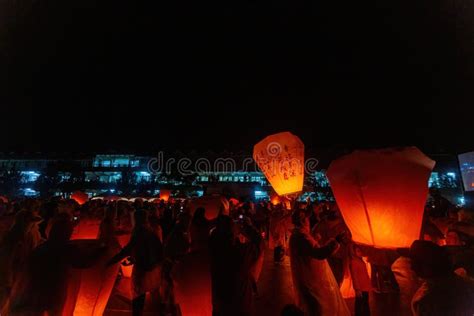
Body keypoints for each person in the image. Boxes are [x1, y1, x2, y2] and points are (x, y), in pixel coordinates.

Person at [289, 209, 350, 316]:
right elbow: (318, 254)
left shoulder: (301, 235)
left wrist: (315, 240)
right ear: (303, 221)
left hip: (311, 278)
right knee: (317, 307)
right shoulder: (301, 236)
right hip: (311, 280)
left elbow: (309, 250)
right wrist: (336, 241)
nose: (309, 221)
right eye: (307, 219)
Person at [107, 210, 164, 316]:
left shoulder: (139, 232)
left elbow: (128, 249)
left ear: (136, 219)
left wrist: (110, 262)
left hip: (142, 269)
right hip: (154, 268)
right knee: (154, 295)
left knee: (138, 297)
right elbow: (158, 249)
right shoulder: (150, 231)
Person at [209, 215, 262, 316]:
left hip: (220, 308)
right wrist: (247, 227)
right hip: (240, 307)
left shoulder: (212, 251)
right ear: (232, 232)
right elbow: (258, 243)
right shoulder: (241, 253)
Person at [410, 240, 474, 316]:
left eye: (416, 261)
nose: (412, 267)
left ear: (429, 265)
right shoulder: (465, 284)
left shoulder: (427, 301)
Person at [0, 210, 43, 310]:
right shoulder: (13, 237)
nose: (31, 225)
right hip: (13, 273)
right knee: (8, 298)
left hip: (22, 272)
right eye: (29, 223)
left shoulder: (31, 233)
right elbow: (8, 258)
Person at [349, 243, 371, 316]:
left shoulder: (361, 261)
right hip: (360, 288)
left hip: (365, 287)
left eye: (360, 251)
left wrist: (369, 285)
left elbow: (365, 274)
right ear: (353, 252)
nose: (360, 253)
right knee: (359, 304)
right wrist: (357, 289)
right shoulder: (354, 262)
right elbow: (354, 276)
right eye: (358, 251)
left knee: (365, 303)